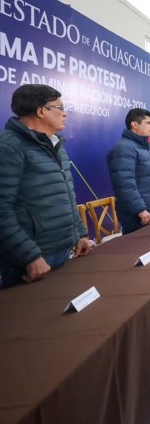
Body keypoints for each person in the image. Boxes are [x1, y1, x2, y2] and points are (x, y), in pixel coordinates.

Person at [0, 84, 92, 289]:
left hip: (63, 249)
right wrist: (29, 256)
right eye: (60, 108)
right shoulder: (8, 146)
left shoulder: (56, 145)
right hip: (33, 259)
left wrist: (80, 234)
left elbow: (67, 196)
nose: (65, 114)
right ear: (41, 111)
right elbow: (2, 209)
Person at [107, 108, 150, 234]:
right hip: (137, 216)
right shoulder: (123, 149)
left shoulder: (145, 147)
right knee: (139, 246)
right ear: (135, 125)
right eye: (148, 123)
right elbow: (124, 185)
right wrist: (139, 210)